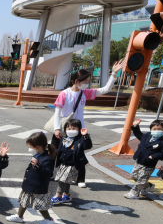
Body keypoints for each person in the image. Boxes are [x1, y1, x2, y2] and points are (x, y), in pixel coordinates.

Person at [51, 60, 123, 188]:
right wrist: (57, 129)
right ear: (76, 81)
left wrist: (114, 74)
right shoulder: (64, 94)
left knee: (79, 155)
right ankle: (52, 174)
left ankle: (80, 179)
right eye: (85, 81)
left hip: (79, 130)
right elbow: (57, 113)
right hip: (62, 129)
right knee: (55, 152)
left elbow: (105, 89)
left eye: (88, 81)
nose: (87, 84)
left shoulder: (85, 93)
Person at [6, 132, 56, 224]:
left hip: (38, 188)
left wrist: (38, 166)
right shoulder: (38, 155)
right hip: (29, 185)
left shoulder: (46, 159)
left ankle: (49, 219)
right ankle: (19, 216)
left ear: (37, 147)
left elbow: (48, 173)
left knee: (40, 205)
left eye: (30, 147)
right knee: (23, 201)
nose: (29, 149)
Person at [124, 119, 163, 200]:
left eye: (159, 129)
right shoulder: (148, 135)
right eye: (154, 129)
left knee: (142, 179)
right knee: (134, 175)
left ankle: (134, 193)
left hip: (149, 163)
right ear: (151, 129)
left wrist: (155, 156)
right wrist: (135, 126)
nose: (156, 131)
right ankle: (148, 186)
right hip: (140, 160)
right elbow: (139, 135)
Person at [52, 119, 92, 204]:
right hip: (63, 164)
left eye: (74, 128)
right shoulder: (63, 138)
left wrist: (85, 136)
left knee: (62, 180)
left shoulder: (80, 139)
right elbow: (59, 150)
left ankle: (58, 196)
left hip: (72, 165)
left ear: (79, 129)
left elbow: (87, 146)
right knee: (66, 180)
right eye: (69, 128)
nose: (71, 130)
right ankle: (66, 195)